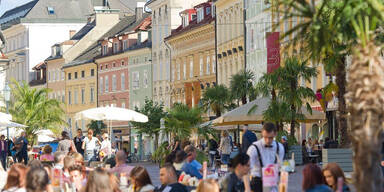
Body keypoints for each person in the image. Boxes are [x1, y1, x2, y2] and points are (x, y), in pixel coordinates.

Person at [247, 122, 284, 192]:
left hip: (272, 182)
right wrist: (247, 188)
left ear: (275, 134)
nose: (267, 140)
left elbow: (279, 166)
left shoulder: (280, 147)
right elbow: (246, 169)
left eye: (270, 138)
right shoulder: (254, 148)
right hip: (257, 181)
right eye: (265, 137)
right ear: (262, 133)